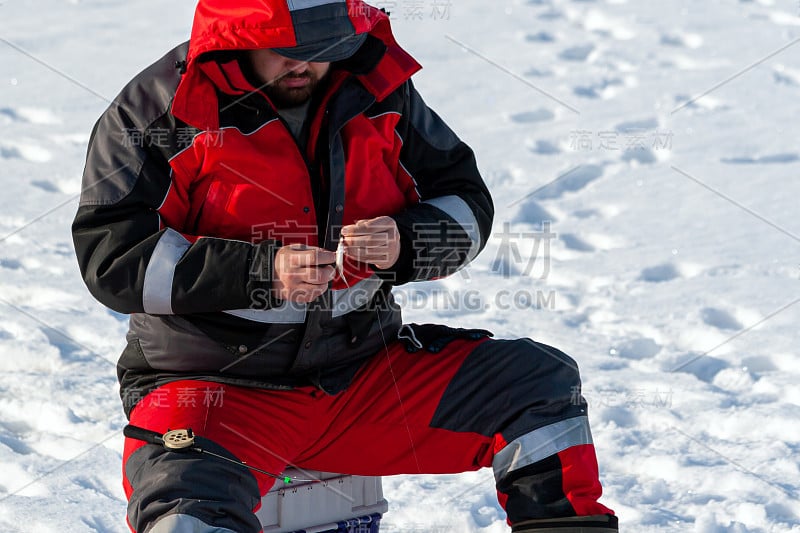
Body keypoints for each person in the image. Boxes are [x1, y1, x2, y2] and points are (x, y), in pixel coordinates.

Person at [71, 0, 617, 531]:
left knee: (538, 386)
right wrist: (262, 271)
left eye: (322, 46)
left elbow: (466, 199)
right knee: (186, 514)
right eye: (284, 49)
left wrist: (407, 241)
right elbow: (113, 254)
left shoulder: (377, 88)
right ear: (237, 32)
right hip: (214, 388)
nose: (303, 64)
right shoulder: (161, 110)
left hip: (362, 373)